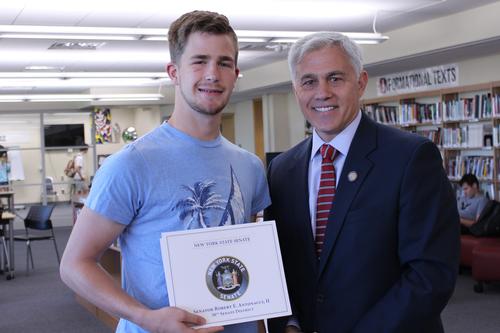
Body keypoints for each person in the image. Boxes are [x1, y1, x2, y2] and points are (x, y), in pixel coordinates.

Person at [60, 10, 270, 333]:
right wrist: (147, 318)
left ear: (236, 73)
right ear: (174, 72)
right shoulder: (131, 164)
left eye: (224, 63)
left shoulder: (250, 167)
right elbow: (74, 265)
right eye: (199, 61)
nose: (213, 74)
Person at [265, 32, 460, 333]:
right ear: (295, 89)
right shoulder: (281, 170)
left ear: (361, 82)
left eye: (335, 78)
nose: (322, 92)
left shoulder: (410, 158)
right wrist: (289, 323)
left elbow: (430, 274)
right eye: (309, 81)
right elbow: (279, 265)